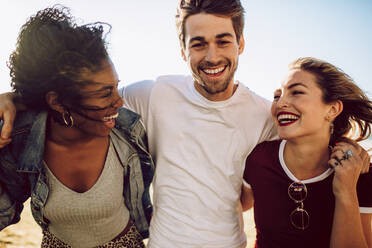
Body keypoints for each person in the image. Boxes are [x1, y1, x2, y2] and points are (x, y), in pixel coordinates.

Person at [0, 1, 370, 248]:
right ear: (183, 50)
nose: (212, 56)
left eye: (223, 41)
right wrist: (13, 99)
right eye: (198, 44)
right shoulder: (152, 94)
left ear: (240, 44)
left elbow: (307, 143)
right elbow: (74, 97)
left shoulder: (264, 113)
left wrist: (350, 148)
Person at [0, 6, 154, 247]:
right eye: (105, 93)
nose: (119, 101)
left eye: (115, 86)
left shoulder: (127, 130)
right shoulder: (20, 137)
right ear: (58, 102)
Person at [243, 57, 372, 248]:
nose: (280, 104)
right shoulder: (258, 158)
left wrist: (346, 191)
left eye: (296, 92)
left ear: (332, 109)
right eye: (277, 96)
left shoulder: (359, 171)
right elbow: (240, 203)